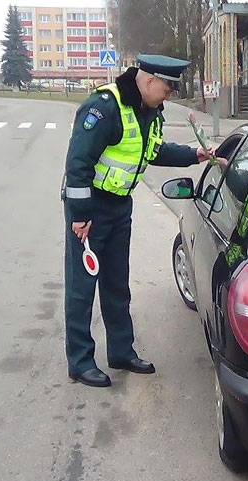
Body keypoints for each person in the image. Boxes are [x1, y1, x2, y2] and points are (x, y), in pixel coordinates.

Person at [60, 54, 217, 388]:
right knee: (82, 287)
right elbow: (78, 163)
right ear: (147, 81)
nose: (170, 95)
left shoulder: (149, 112)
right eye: (167, 88)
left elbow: (153, 151)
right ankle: (80, 361)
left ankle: (121, 351)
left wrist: (194, 155)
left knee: (117, 282)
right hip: (92, 208)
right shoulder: (104, 108)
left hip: (120, 206)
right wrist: (80, 215)